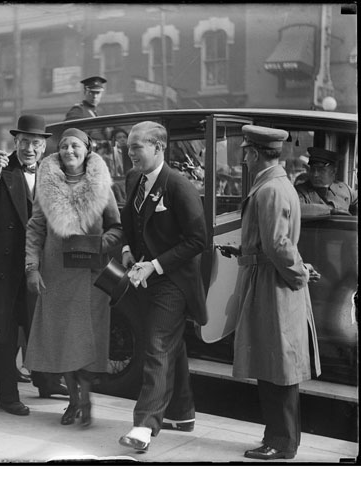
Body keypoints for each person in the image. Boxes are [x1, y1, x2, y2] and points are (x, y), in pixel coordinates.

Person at [219, 125, 322, 460]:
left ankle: (282, 442)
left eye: (245, 150)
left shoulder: (269, 190)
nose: (243, 156)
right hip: (272, 280)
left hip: (273, 284)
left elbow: (278, 245)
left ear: (253, 153)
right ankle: (277, 438)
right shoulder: (277, 185)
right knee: (274, 365)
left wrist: (297, 275)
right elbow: (276, 242)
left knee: (278, 368)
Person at [0, 114, 67, 417]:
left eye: (35, 143)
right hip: (4, 266)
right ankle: (8, 395)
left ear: (44, 146)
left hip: (39, 265)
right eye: (24, 142)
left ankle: (47, 382)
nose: (29, 149)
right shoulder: (1, 168)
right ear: (15, 143)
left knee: (41, 326)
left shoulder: (53, 172)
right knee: (6, 332)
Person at [117, 121, 207, 452]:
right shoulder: (133, 180)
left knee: (156, 345)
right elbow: (130, 224)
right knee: (171, 346)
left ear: (158, 147)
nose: (130, 154)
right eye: (128, 148)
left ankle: (144, 426)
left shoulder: (179, 186)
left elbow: (198, 240)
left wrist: (153, 265)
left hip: (173, 281)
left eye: (136, 147)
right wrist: (128, 250)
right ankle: (181, 414)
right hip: (146, 278)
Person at [25, 128, 123, 426]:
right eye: (64, 146)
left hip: (91, 275)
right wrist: (31, 267)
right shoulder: (46, 183)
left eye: (75, 146)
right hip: (57, 274)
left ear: (87, 149)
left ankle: (85, 399)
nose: (69, 151)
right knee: (64, 339)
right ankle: (74, 401)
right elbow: (35, 228)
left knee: (87, 340)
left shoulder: (102, 184)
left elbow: (116, 228)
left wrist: (96, 246)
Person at [296, 147, 357, 216]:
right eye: (313, 169)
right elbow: (296, 209)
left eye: (321, 170)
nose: (315, 174)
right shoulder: (300, 191)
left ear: (333, 171)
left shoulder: (345, 189)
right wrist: (330, 210)